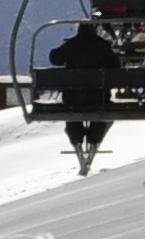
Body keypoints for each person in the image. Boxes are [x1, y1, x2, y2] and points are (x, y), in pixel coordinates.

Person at [49, 17, 122, 173]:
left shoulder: (71, 45)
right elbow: (116, 67)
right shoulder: (103, 46)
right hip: (98, 96)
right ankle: (93, 141)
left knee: (73, 115)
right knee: (99, 115)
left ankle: (76, 142)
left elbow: (55, 58)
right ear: (94, 29)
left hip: (73, 97)